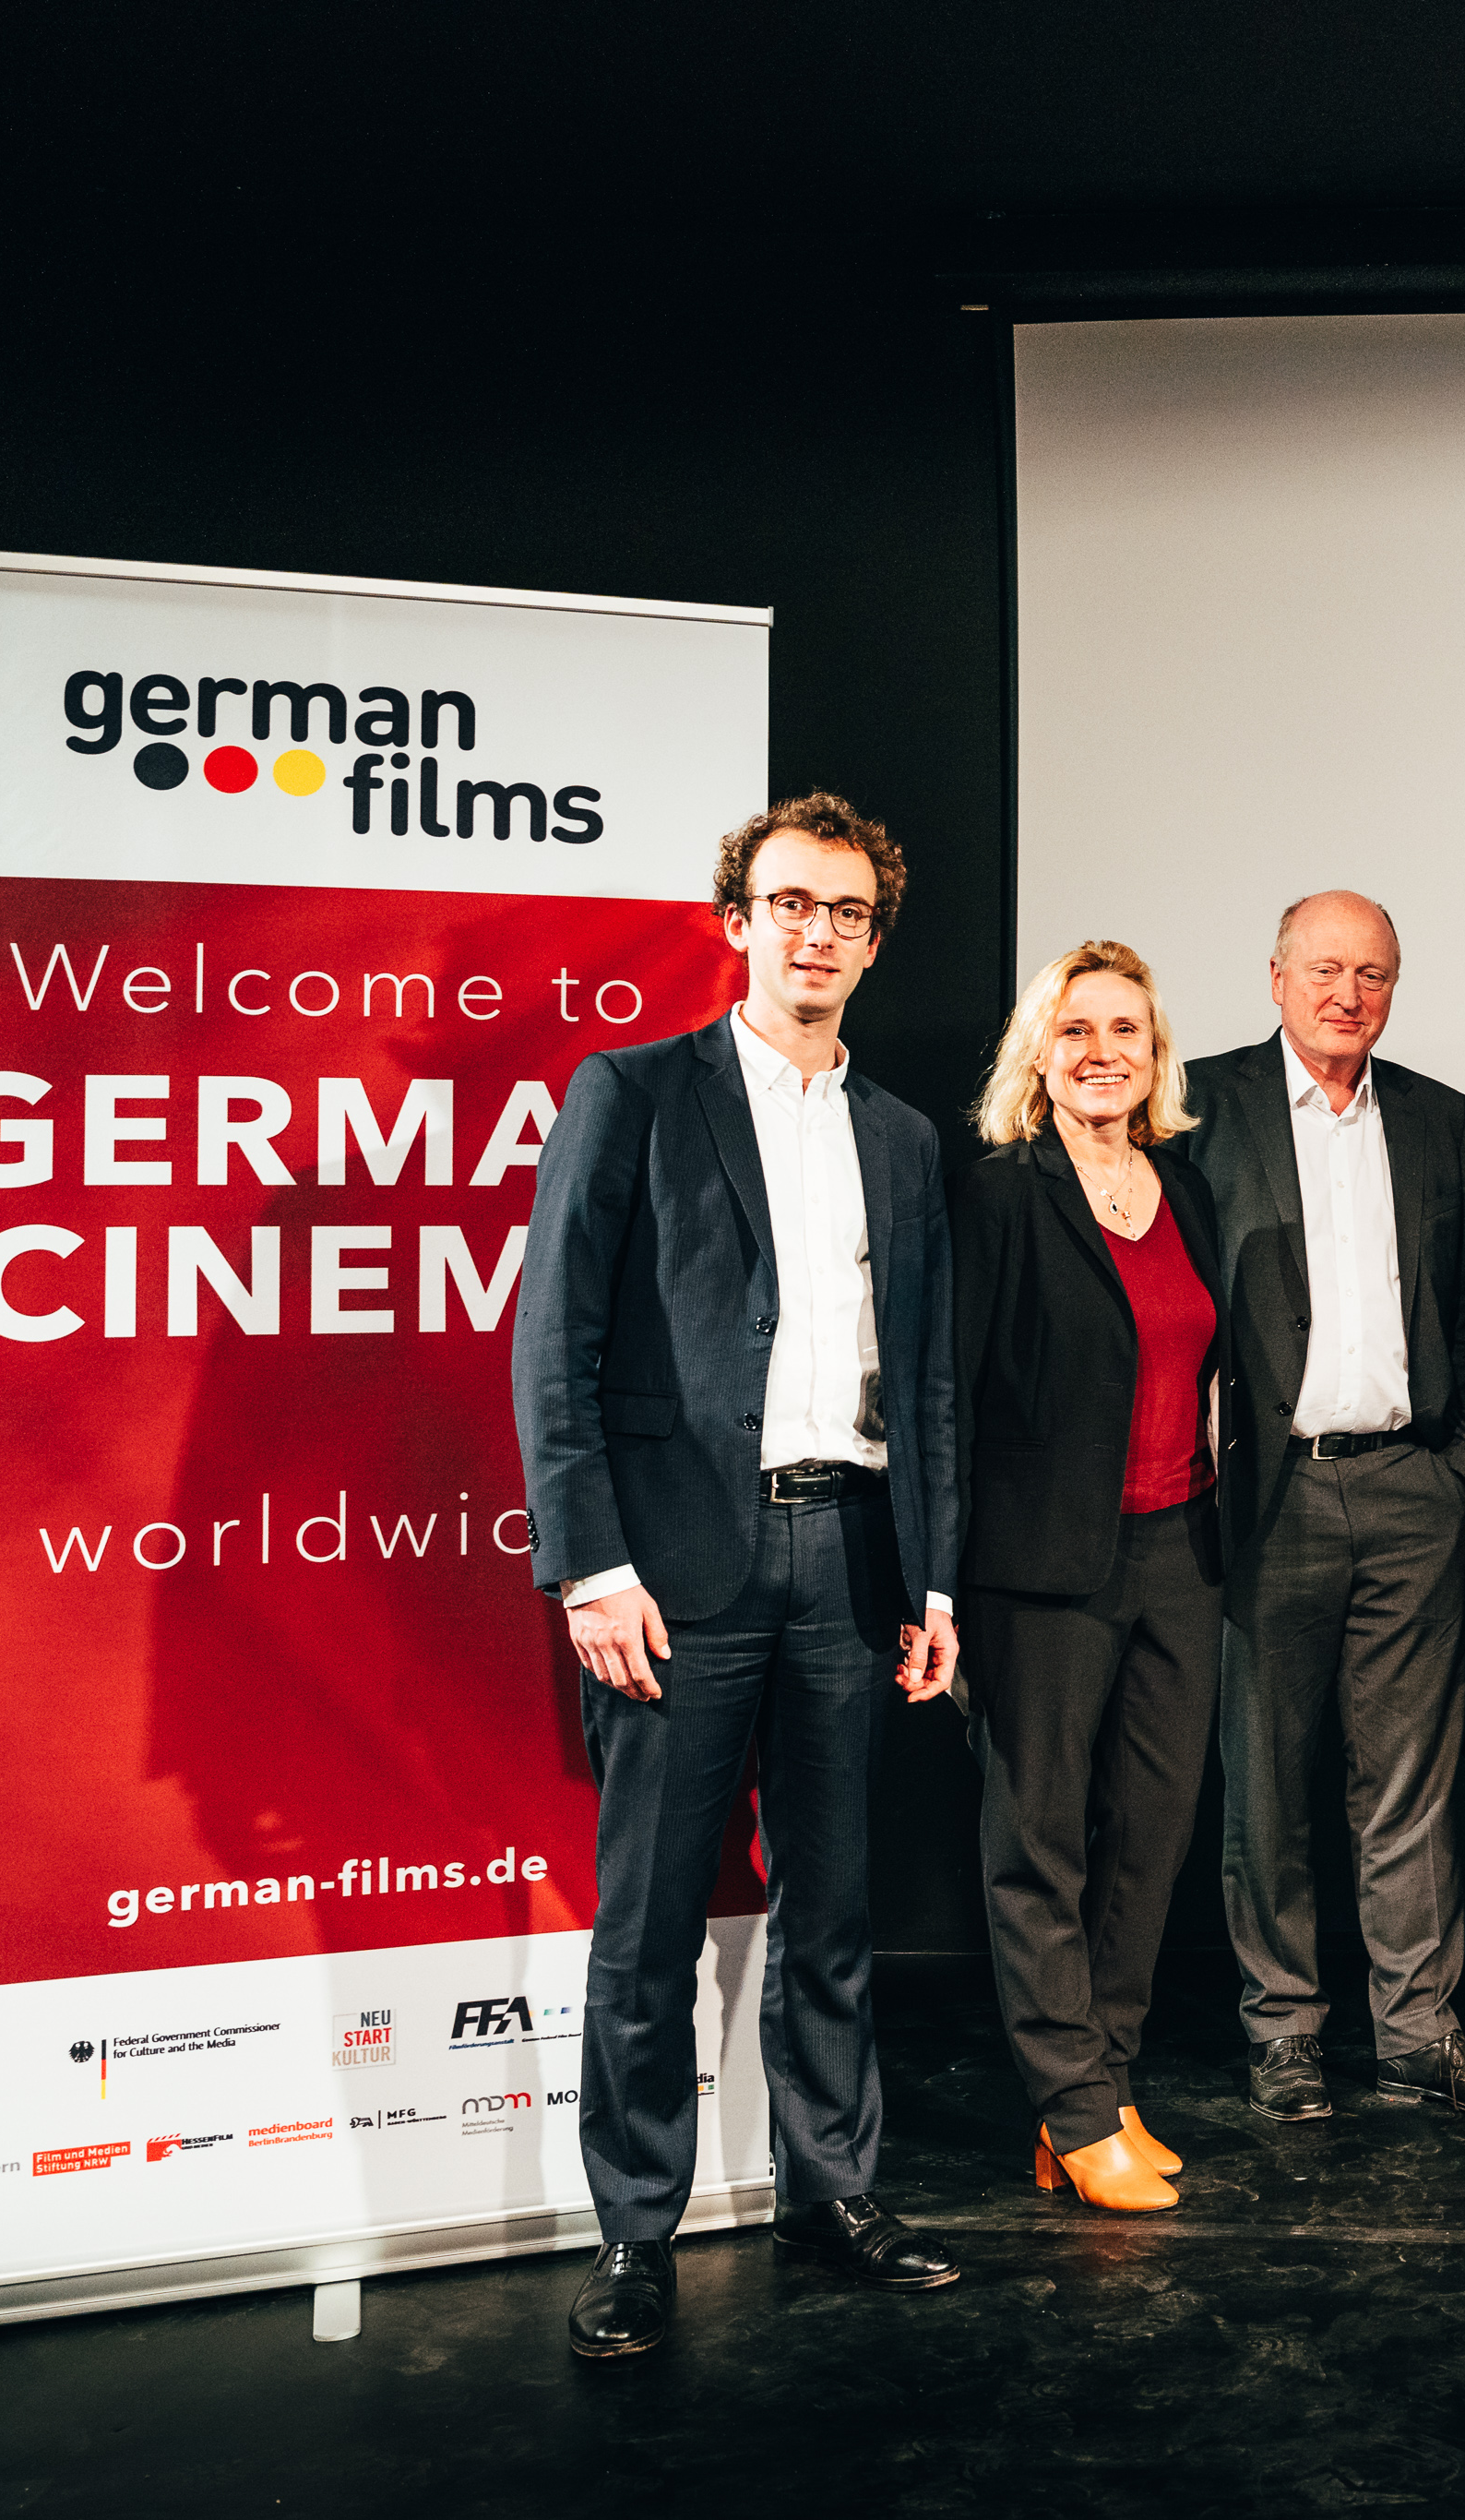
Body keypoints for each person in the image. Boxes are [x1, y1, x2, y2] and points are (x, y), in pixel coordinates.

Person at [513, 793, 964, 2359]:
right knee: (644, 1922)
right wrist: (589, 1565)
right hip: (676, 1569)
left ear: (872, 938)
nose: (816, 933)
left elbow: (931, 1381)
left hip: (849, 1556)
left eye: (846, 911)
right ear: (736, 920)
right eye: (791, 903)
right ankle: (634, 2233)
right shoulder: (631, 1094)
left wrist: (940, 1583)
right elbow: (550, 1347)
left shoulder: (904, 1137)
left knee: (832, 1908)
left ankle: (828, 2190)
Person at [1174, 894, 1465, 2118]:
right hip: (1266, 1491)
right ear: (1275, 975)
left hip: (1405, 1481)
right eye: (1325, 968)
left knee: (1408, 1783)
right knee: (1268, 1781)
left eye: (1372, 972)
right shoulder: (1202, 1101)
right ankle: (1283, 2032)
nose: (1349, 991)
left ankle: (1418, 2034)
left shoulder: (1434, 1115)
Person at [952, 941, 1234, 2212]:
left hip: (1179, 1549)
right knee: (1042, 1837)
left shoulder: (1184, 1188)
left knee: (1152, 1838)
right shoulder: (1006, 1193)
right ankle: (1069, 2102)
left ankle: (1105, 2091)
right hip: (1041, 1569)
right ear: (1039, 1055)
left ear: (1156, 1052)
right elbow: (950, 1392)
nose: (1104, 1050)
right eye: (1077, 1030)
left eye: (1126, 1028)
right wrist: (941, 1582)